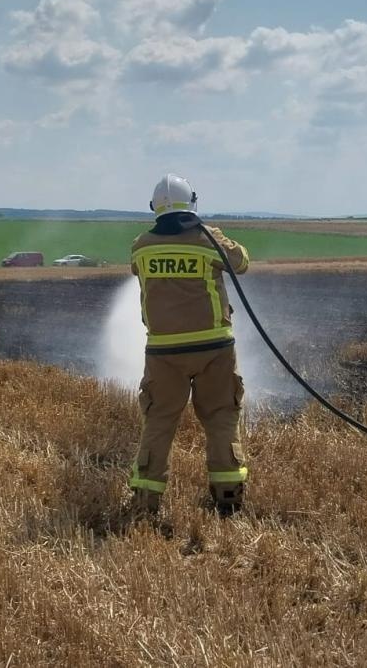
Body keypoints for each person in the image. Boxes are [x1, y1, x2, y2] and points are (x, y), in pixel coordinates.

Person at [126, 173, 251, 517]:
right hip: (214, 347)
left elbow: (137, 271)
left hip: (164, 352)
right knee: (222, 416)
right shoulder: (207, 241)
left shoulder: (142, 246)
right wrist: (214, 234)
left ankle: (145, 501)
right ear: (192, 204)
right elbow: (241, 262)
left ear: (155, 208)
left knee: (159, 421)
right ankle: (228, 495)